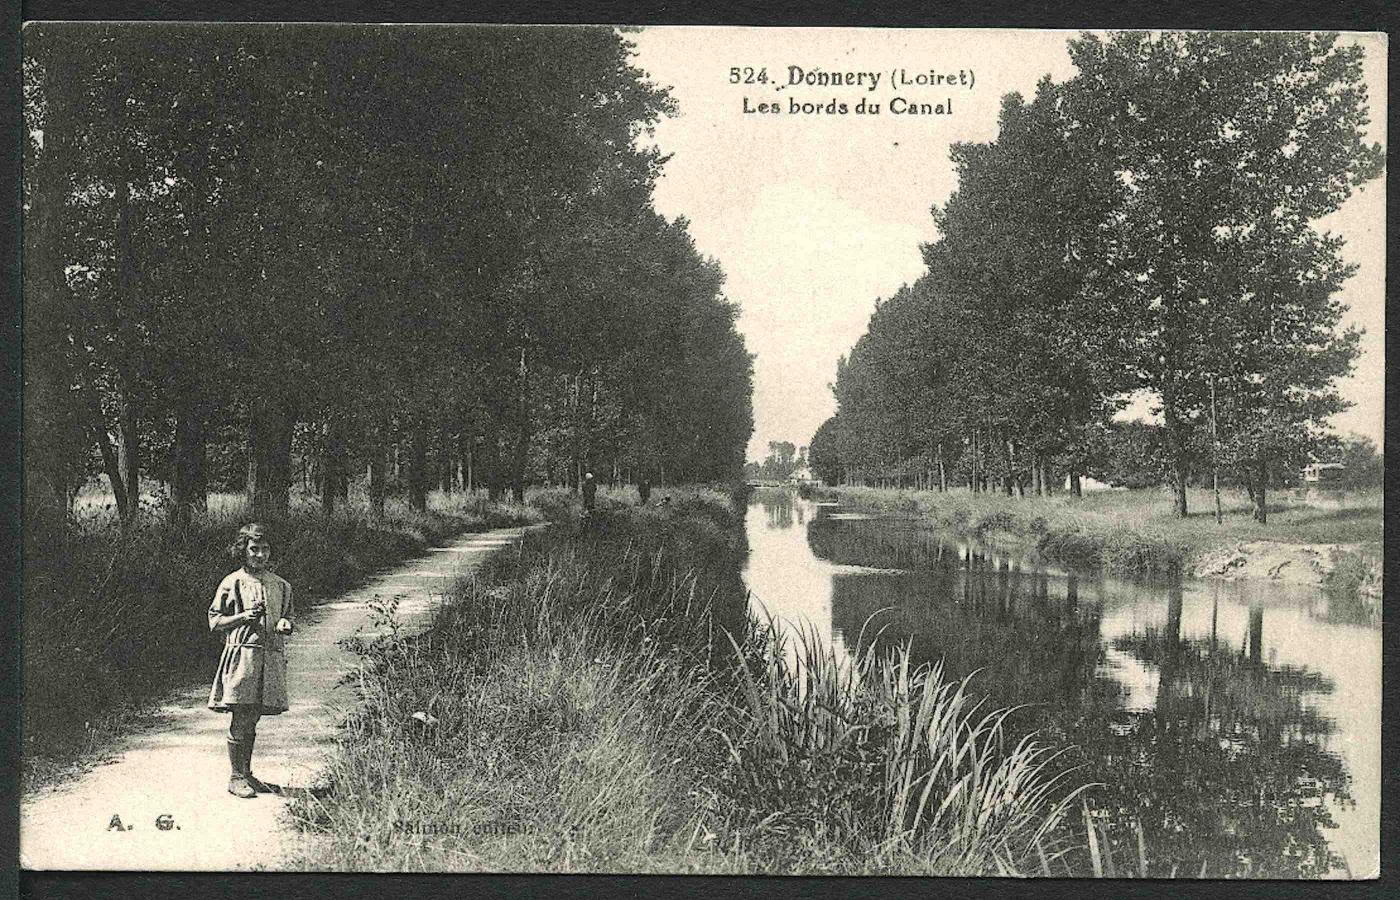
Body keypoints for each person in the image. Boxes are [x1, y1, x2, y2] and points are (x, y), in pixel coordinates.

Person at [208, 522, 295, 799]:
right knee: (241, 715)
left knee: (254, 716)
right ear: (243, 551)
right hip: (243, 657)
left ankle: (247, 773)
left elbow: (288, 617)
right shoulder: (232, 582)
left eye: (265, 550)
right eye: (254, 549)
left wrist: (284, 623)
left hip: (270, 657)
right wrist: (242, 618)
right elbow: (214, 621)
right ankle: (235, 776)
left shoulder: (281, 585)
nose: (260, 555)